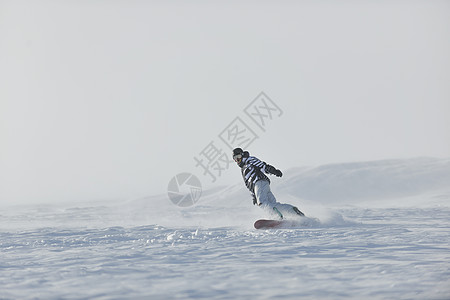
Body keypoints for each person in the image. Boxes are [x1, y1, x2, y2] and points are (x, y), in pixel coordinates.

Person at [232, 147, 305, 219]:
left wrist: (274, 171)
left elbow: (262, 166)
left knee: (262, 203)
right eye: (235, 159)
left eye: (238, 157)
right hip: (260, 186)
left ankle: (276, 217)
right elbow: (248, 184)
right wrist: (254, 195)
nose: (237, 160)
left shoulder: (250, 160)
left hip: (259, 182)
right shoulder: (243, 169)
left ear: (242, 155)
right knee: (273, 204)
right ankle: (293, 210)